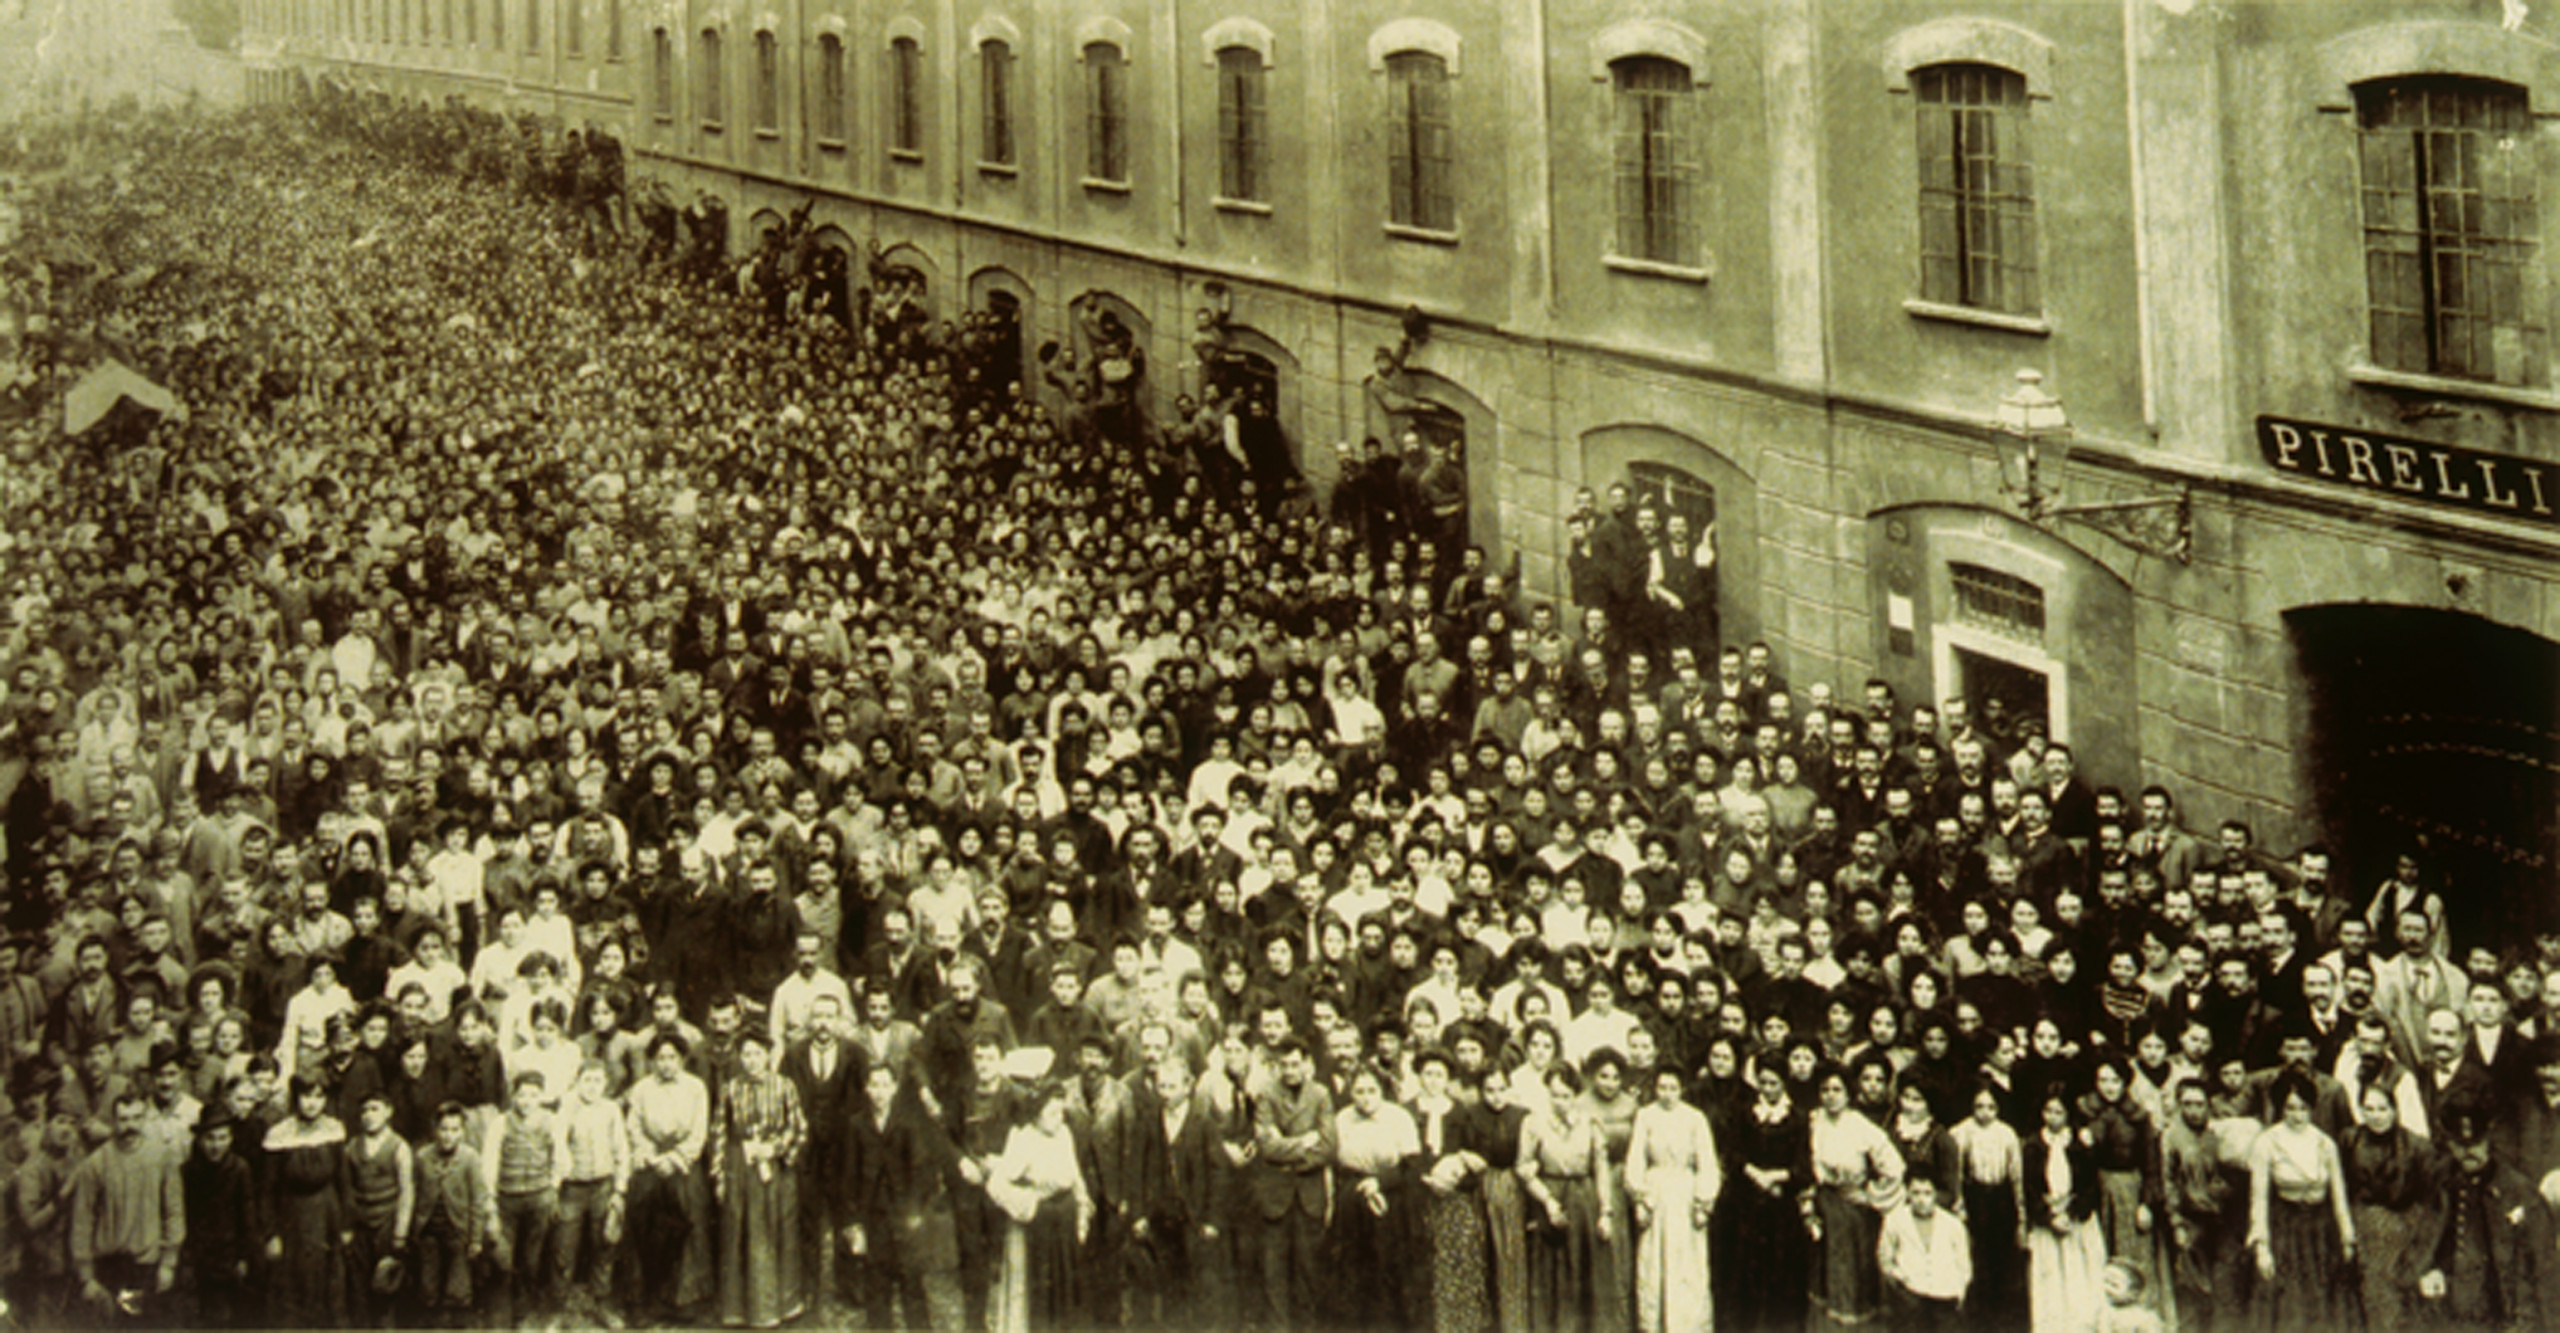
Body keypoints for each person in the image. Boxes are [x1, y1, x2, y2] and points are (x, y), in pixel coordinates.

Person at [2245, 1067, 2354, 1333]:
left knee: (2324, 1301)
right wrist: (2262, 1247)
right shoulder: (2267, 1142)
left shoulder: (2324, 1143)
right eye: (2290, 1108)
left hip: (2320, 1230)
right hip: (2286, 1229)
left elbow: (2338, 1195)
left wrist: (2346, 1238)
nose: (2297, 1115)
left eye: (2303, 1108)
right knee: (2289, 1304)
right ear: (2281, 1108)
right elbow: (2258, 1199)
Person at [711, 1027, 807, 1329]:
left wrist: (776, 1148)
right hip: (741, 1167)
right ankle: (740, 1309)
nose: (751, 1060)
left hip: (775, 1169)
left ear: (768, 1055)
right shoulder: (730, 1088)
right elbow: (719, 1131)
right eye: (746, 1054)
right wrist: (719, 1173)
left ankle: (779, 1305)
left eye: (757, 1054)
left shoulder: (784, 1086)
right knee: (741, 1232)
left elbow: (798, 1127)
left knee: (775, 1231)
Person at [984, 1079, 1093, 1333]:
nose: (1058, 1118)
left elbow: (1075, 1176)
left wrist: (1082, 1210)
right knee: (1039, 1297)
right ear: (1036, 1115)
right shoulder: (1024, 1140)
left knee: (1067, 1293)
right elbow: (996, 1185)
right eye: (1051, 1113)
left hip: (1064, 1225)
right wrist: (1030, 1204)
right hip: (1039, 1227)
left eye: (1061, 1112)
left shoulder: (1063, 1134)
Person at [1806, 1065, 1905, 1333]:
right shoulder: (1815, 1121)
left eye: (1837, 1089)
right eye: (1825, 1090)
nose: (1830, 1096)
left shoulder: (1861, 1127)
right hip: (1824, 1208)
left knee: (1851, 1278)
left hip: (1853, 1215)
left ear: (1849, 1093)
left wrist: (1869, 1193)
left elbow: (1894, 1168)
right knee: (1823, 1276)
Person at [625, 1033, 714, 1323]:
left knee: (690, 1222)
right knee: (643, 1223)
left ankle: (684, 1301)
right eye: (660, 1058)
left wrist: (675, 1159)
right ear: (652, 1061)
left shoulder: (695, 1088)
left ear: (682, 1059)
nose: (666, 1064)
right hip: (650, 1163)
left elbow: (699, 1130)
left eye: (671, 1058)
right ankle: (645, 1300)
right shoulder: (641, 1089)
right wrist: (652, 1157)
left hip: (683, 1165)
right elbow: (634, 1126)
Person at [2340, 1081, 2442, 1333]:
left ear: (2395, 1110)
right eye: (2369, 1109)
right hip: (2367, 1228)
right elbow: (2343, 1186)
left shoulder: (2417, 1147)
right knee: (2373, 1296)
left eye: (2383, 1109)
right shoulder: (2350, 1140)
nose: (2376, 1116)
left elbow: (2431, 1198)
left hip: (2406, 1226)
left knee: (2406, 1297)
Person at [1519, 1060, 1613, 1333]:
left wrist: (1605, 1211)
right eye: (1554, 1094)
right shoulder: (1534, 1123)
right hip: (1549, 1196)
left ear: (1575, 1095)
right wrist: (1547, 1200)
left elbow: (1600, 1168)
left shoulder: (1590, 1122)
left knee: (1584, 1271)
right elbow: (1523, 1168)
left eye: (1566, 1096)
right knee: (1550, 1274)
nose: (1559, 1101)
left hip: (1583, 1198)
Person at [1625, 1065, 1717, 1333]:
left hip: (1685, 1196)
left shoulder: (1695, 1118)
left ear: (1682, 1090)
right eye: (1662, 1087)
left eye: (1673, 1088)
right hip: (1656, 1195)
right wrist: (1640, 1199)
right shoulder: (1645, 1116)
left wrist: (1703, 1202)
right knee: (1654, 1265)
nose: (1667, 1094)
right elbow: (1635, 1159)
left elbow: (1707, 1162)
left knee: (1688, 1267)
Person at [1412, 1045, 1496, 1333]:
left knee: (1457, 1271)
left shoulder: (1460, 1112)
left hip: (1454, 1202)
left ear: (1448, 1079)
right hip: (1418, 1201)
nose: (1433, 1080)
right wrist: (1428, 1179)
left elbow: (1475, 1160)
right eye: (1427, 1074)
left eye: (1439, 1074)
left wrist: (1454, 1177)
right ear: (1419, 1076)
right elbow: (1405, 1159)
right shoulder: (1408, 1110)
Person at [263, 1075, 354, 1327]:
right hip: (292, 1217)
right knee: (293, 1286)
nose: (312, 1104)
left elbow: (343, 1181)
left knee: (329, 1285)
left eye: (318, 1097)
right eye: (306, 1096)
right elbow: (268, 1190)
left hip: (327, 1215)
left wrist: (346, 1224)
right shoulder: (279, 1133)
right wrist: (271, 1234)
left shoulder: (333, 1129)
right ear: (296, 1098)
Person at [2021, 1091, 2106, 1333]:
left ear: (2068, 1114)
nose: (2053, 1117)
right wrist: (2049, 1217)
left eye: (2058, 1112)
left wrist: (2072, 1213)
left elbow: (2090, 1185)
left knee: (2080, 1283)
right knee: (2051, 1286)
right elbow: (2029, 1189)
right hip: (2048, 1225)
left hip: (2076, 1223)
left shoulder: (2079, 1144)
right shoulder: (2033, 1146)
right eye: (2048, 1111)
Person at [1877, 1173, 1971, 1333]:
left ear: (1935, 1194)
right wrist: (1901, 1279)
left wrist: (1958, 1293)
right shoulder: (1895, 1221)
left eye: (1927, 1193)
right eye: (1916, 1193)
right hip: (1911, 1294)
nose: (1921, 1200)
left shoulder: (1952, 1225)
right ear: (1907, 1193)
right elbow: (1885, 1259)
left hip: (1945, 1295)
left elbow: (1963, 1265)